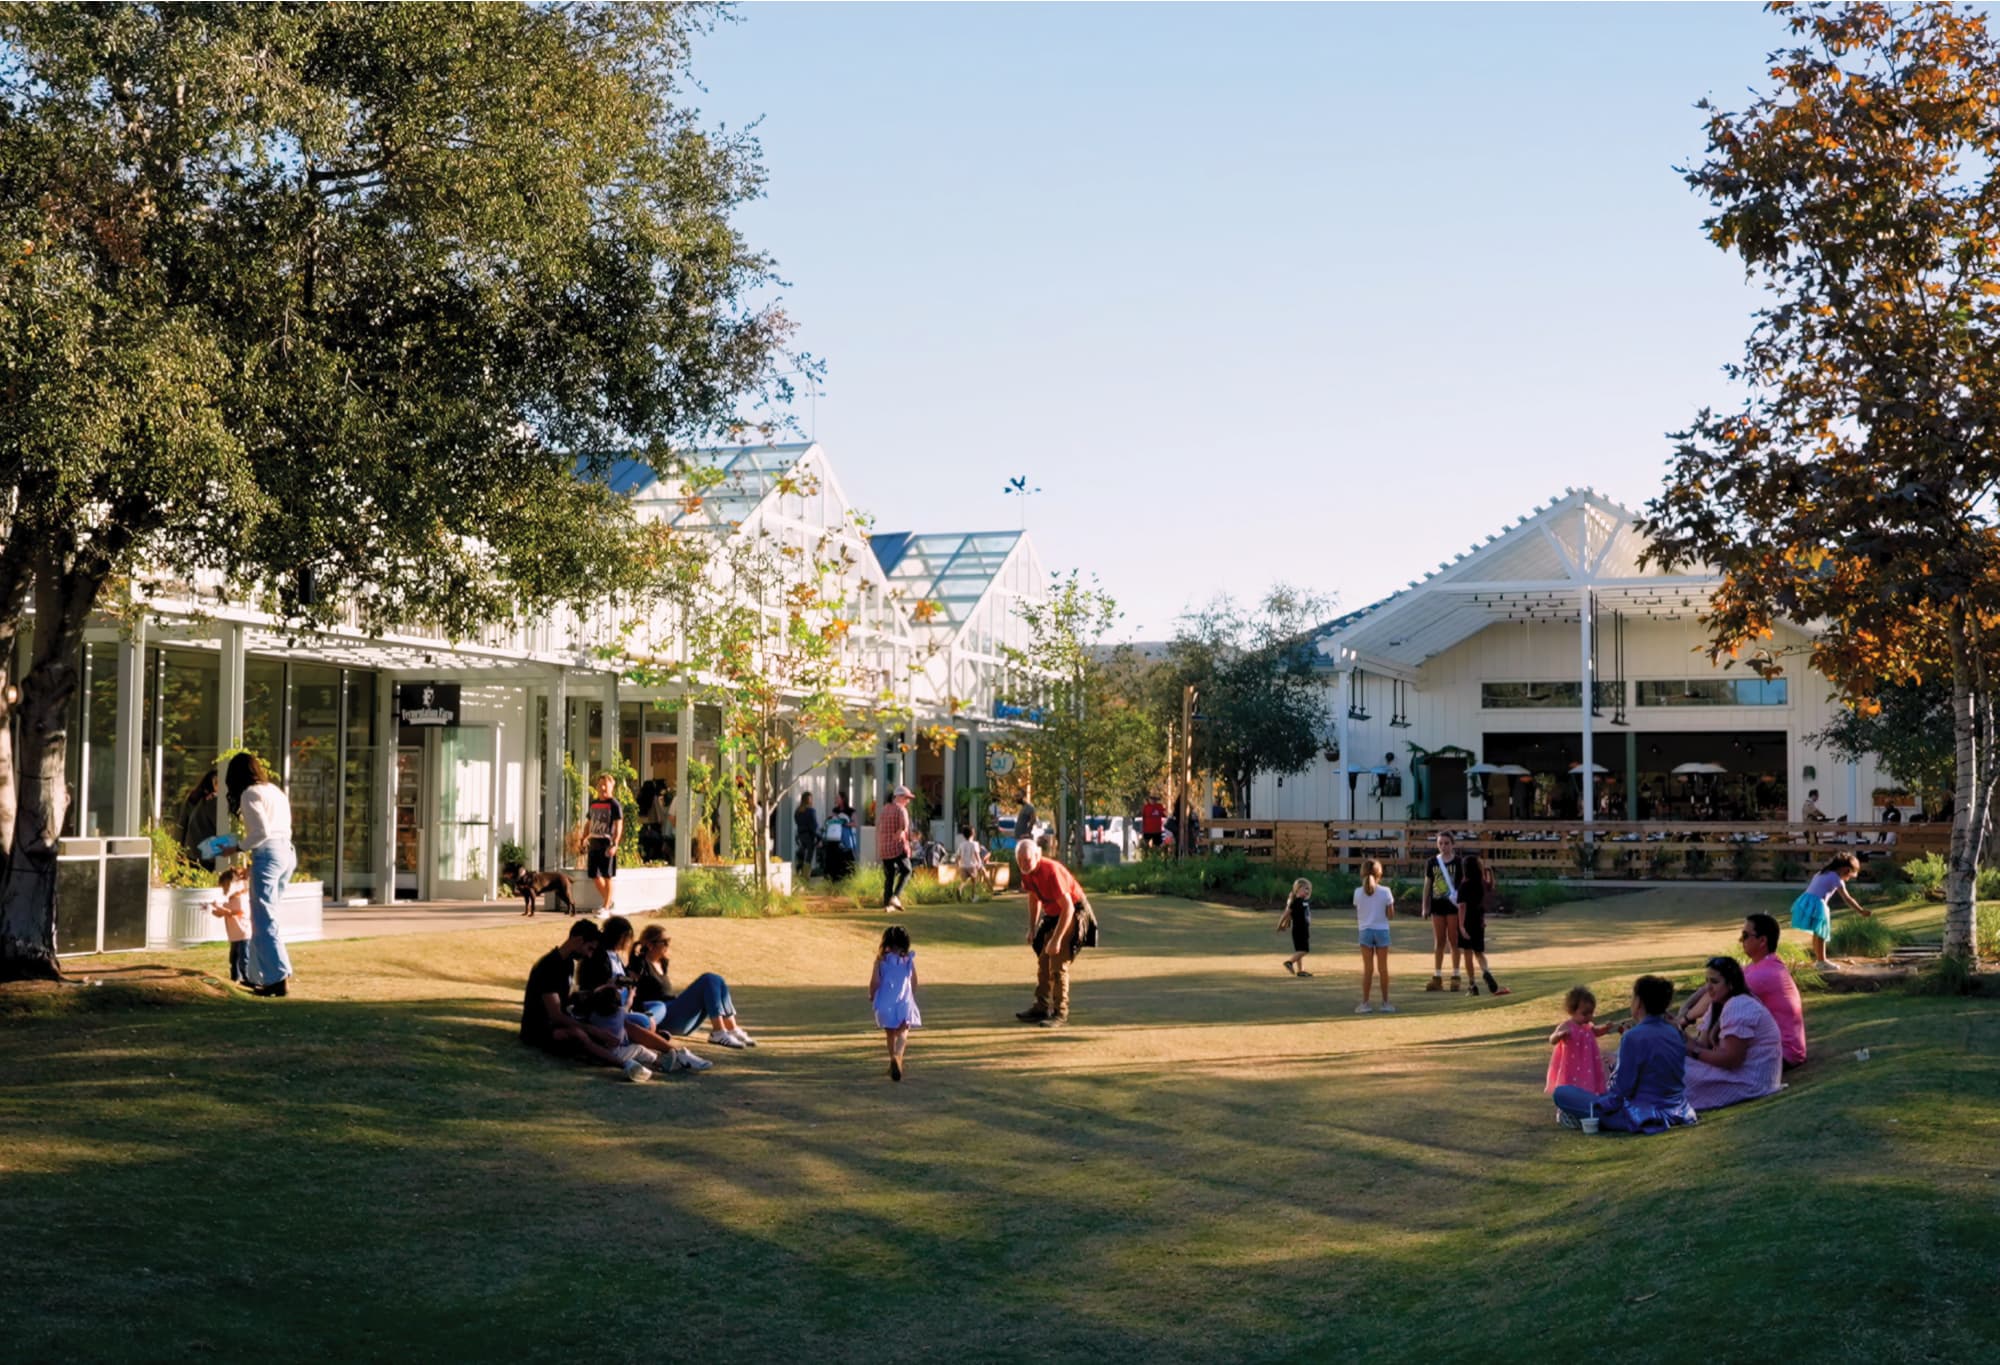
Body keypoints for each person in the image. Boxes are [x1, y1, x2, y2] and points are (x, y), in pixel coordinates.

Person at [1550, 975, 1698, 1134]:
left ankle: (1581, 1116)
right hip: (1678, 1109)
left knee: (1562, 1093)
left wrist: (1604, 1100)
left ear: (1639, 1003)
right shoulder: (1674, 1032)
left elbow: (1622, 1089)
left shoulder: (1633, 1037)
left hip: (1640, 1113)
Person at [201, 753, 296, 997]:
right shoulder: (274, 790)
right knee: (266, 916)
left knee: (263, 918)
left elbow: (262, 832)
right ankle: (260, 975)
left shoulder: (250, 793)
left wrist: (239, 847)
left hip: (269, 851)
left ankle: (277, 976)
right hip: (286, 851)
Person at [520, 918, 654, 1081]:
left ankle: (670, 1055)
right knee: (579, 1034)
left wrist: (593, 993)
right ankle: (625, 1065)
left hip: (560, 1019)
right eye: (589, 948)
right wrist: (593, 1030)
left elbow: (565, 1000)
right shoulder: (549, 966)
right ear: (578, 940)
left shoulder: (567, 963)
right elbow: (555, 1015)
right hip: (539, 1028)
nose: (589, 954)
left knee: (623, 1024)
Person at [577, 916, 711, 1072]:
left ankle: (668, 1045)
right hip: (609, 1010)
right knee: (644, 1023)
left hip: (626, 1006)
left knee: (656, 1009)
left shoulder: (615, 956)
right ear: (621, 937)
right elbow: (598, 990)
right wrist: (617, 986)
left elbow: (628, 983)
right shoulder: (599, 956)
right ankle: (673, 1050)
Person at [1676, 913, 1807, 1068]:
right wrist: (1684, 1009)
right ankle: (1701, 1047)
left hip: (1783, 1053)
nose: (1740, 940)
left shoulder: (1764, 974)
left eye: (1745, 935)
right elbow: (1707, 989)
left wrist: (1684, 1021)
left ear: (1762, 940)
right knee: (1718, 1001)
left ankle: (1701, 1048)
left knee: (1718, 1002)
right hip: (1773, 1047)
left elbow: (1712, 996)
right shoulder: (1759, 966)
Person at [626, 921, 758, 1048]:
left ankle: (732, 1029)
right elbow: (629, 989)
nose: (668, 945)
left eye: (669, 941)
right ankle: (719, 1032)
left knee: (718, 981)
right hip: (663, 1016)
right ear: (650, 945)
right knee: (708, 979)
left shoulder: (662, 963)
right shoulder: (640, 964)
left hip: (677, 1016)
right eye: (664, 942)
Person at [1681, 956, 1785, 1112]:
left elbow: (1732, 1059)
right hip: (1737, 1073)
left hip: (1751, 1080)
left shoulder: (1740, 1005)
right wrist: (1677, 1035)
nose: (1708, 988)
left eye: (1714, 982)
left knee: (1675, 1070)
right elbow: (1702, 1045)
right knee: (1670, 1060)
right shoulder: (1719, 1004)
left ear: (1731, 984)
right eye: (1707, 981)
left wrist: (1693, 1051)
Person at [1014, 839, 1091, 1027]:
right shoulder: (1027, 873)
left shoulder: (1051, 872)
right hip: (1053, 914)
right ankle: (1041, 1006)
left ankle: (1059, 1012)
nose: (1024, 864)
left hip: (1073, 911)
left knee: (1057, 961)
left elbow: (1068, 908)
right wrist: (1032, 928)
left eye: (1027, 860)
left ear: (1037, 856)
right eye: (1020, 860)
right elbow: (1034, 899)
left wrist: (1056, 940)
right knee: (1043, 960)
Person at [1791, 852, 1870, 970]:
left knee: (1817, 932)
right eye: (1849, 875)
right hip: (1818, 904)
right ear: (1845, 870)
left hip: (1807, 900)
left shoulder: (1821, 873)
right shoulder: (1836, 878)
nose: (1848, 879)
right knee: (1822, 933)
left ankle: (1819, 959)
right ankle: (1822, 961)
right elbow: (1847, 898)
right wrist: (1861, 910)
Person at [870, 924, 921, 1082]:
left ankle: (892, 1057)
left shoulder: (880, 961)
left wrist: (872, 995)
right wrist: (911, 995)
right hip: (903, 1001)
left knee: (890, 1032)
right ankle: (898, 1056)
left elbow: (875, 982)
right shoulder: (907, 960)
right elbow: (914, 981)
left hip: (885, 1002)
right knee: (904, 1030)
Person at [1457, 852, 1511, 997]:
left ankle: (1472, 984)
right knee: (1479, 952)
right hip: (1479, 921)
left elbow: (1462, 906)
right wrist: (1490, 872)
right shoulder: (1481, 883)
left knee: (1467, 953)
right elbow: (1491, 886)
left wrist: (1461, 926)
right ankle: (1486, 972)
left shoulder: (1464, 885)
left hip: (1466, 922)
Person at [1546, 985, 1617, 1094]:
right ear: (1572, 1010)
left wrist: (1605, 1028)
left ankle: (1587, 1103)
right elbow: (1552, 1039)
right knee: (1570, 1088)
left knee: (1588, 1085)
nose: (1589, 1017)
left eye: (1591, 1013)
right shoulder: (1567, 1026)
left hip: (1588, 1064)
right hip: (1571, 1066)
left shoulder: (1588, 1026)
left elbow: (1596, 1032)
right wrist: (1559, 1035)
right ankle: (1566, 1108)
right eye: (1584, 1014)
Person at [1419, 831, 1465, 993]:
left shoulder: (1459, 862)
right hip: (1437, 906)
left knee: (1454, 941)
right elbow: (1427, 885)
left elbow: (1463, 885)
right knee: (1439, 941)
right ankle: (1437, 977)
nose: (1444, 846)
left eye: (1446, 843)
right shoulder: (1432, 862)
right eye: (1440, 843)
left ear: (1452, 844)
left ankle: (1456, 976)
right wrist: (1425, 906)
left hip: (1453, 906)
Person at [1353, 858, 1395, 1013]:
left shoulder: (1357, 892)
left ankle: (1365, 1003)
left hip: (1365, 931)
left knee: (1368, 969)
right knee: (1383, 969)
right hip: (1382, 931)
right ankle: (1385, 1003)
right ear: (1379, 874)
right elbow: (1390, 915)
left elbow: (1359, 912)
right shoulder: (1386, 891)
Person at [586, 773, 624, 912]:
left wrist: (615, 844)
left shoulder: (614, 804)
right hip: (594, 843)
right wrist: (584, 838)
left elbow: (619, 825)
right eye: (600, 785)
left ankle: (606, 906)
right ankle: (608, 902)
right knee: (595, 876)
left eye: (606, 785)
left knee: (607, 876)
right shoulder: (594, 803)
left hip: (607, 844)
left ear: (611, 786)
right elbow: (588, 822)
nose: (602, 788)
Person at [210, 865, 250, 985]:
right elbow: (221, 913)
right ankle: (235, 978)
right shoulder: (230, 900)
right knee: (234, 958)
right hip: (234, 936)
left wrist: (219, 908)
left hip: (243, 934)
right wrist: (214, 909)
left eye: (226, 886)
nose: (225, 890)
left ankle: (247, 978)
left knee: (243, 959)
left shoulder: (241, 899)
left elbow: (237, 912)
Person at [878, 784, 915, 912]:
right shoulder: (901, 810)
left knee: (889, 876)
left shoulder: (884, 809)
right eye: (906, 798)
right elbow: (903, 828)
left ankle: (887, 904)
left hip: (884, 847)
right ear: (898, 797)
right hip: (897, 847)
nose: (908, 801)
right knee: (907, 870)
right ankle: (895, 897)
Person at [180, 770, 220, 870]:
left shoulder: (198, 800)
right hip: (205, 857)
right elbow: (223, 828)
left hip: (193, 853)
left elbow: (181, 827)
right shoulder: (213, 801)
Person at [1277, 877, 1314, 977]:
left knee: (1299, 950)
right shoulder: (1298, 902)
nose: (1307, 891)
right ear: (1297, 889)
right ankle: (1289, 962)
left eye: (1308, 889)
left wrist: (1284, 924)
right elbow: (1286, 914)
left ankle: (1300, 971)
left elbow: (1290, 915)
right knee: (1304, 950)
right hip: (1300, 930)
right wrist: (1280, 924)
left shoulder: (1301, 901)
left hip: (1300, 929)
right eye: (1305, 888)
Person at [954, 823, 989, 901]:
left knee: (964, 881)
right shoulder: (975, 844)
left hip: (963, 866)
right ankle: (973, 897)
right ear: (972, 833)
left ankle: (960, 889)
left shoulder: (961, 844)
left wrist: (957, 865)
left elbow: (958, 857)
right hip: (972, 865)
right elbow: (977, 855)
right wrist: (980, 864)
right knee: (974, 881)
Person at [794, 792, 820, 876]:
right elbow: (814, 825)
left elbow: (797, 823)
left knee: (801, 854)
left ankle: (798, 871)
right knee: (808, 857)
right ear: (809, 800)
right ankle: (805, 877)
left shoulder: (797, 811)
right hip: (809, 836)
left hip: (801, 835)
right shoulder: (811, 811)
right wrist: (819, 837)